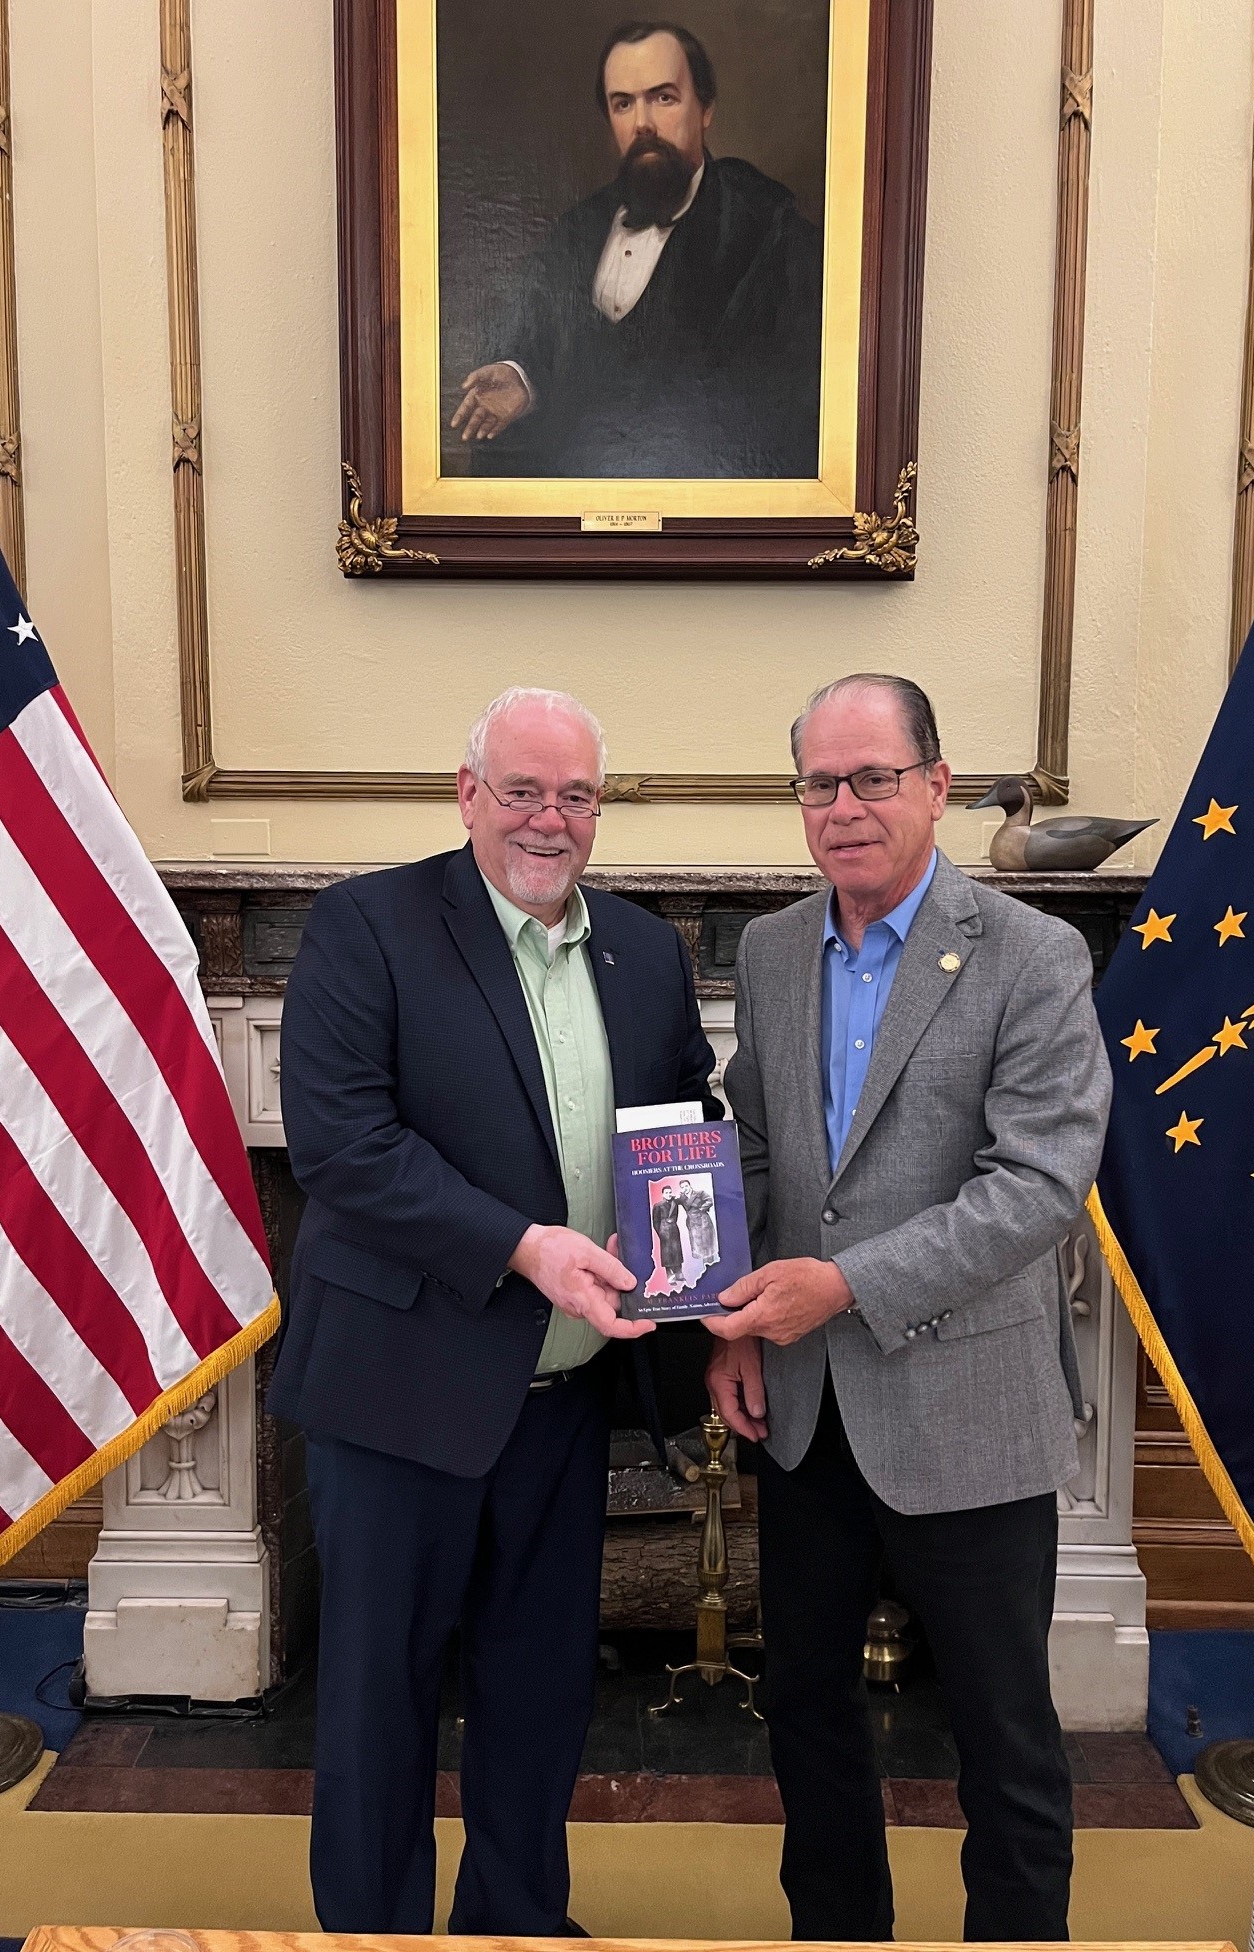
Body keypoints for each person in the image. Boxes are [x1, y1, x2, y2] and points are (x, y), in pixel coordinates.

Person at [269, 686, 718, 1934]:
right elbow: (343, 1147)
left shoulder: (643, 947)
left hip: (563, 1402)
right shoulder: (368, 926)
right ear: (466, 794)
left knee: (539, 1696)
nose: (548, 819)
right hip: (397, 1396)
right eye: (521, 790)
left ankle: (516, 1924)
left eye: (575, 795)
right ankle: (376, 1933)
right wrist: (525, 1246)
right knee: (380, 1704)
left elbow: (684, 1116)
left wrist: (680, 1229)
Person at [704, 672, 1112, 1941]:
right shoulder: (774, 949)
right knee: (811, 1720)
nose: (844, 806)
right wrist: (730, 1318)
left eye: (873, 777)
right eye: (819, 783)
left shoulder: (1034, 955)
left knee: (1006, 1743)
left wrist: (844, 1286)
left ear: (936, 785)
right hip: (806, 1408)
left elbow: (1038, 1185)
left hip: (971, 1413)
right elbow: (759, 1146)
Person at [450, 20, 823, 479]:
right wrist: (521, 379)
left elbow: (792, 412)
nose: (642, 123)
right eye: (623, 104)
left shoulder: (766, 228)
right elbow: (541, 337)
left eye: (663, 98)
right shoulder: (578, 229)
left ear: (706, 109)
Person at [650, 1183, 687, 1289]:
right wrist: (660, 1232)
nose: (669, 1194)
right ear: (662, 1194)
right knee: (667, 1254)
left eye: (670, 1192)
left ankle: (679, 1273)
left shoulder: (675, 1202)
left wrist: (676, 1196)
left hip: (674, 1229)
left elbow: (682, 1199)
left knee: (677, 1251)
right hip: (664, 1231)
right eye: (666, 1193)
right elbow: (655, 1221)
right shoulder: (658, 1206)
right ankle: (670, 1275)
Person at [677, 1177, 718, 1268]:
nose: (685, 1188)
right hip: (692, 1223)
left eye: (686, 1186)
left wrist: (702, 1209)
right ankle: (705, 1267)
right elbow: (674, 1202)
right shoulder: (682, 1198)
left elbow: (709, 1200)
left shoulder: (700, 1193)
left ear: (690, 1186)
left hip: (703, 1220)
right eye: (682, 1187)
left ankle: (711, 1265)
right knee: (698, 1244)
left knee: (707, 1242)